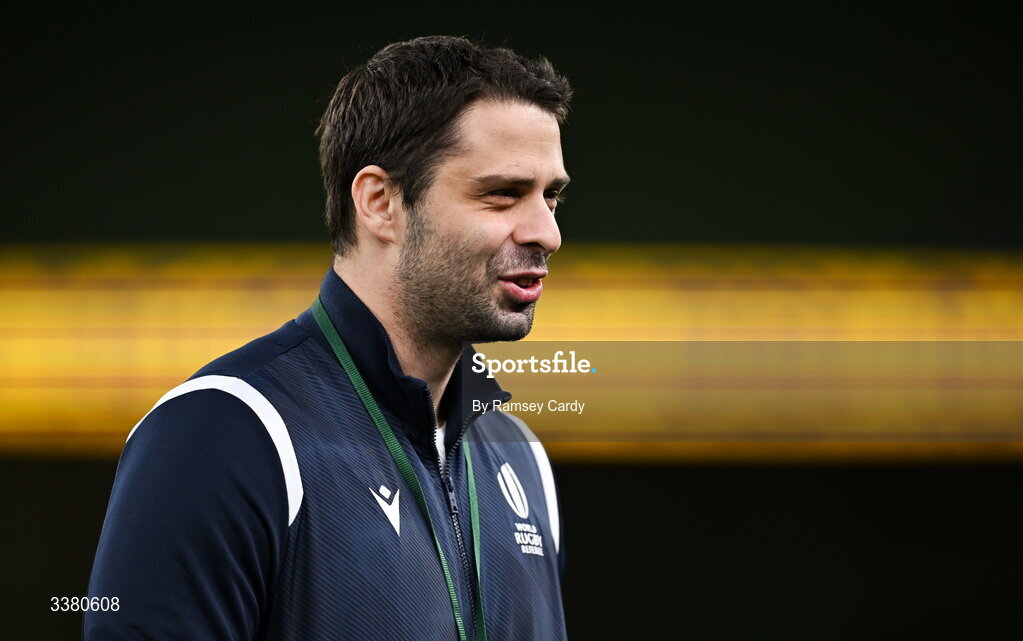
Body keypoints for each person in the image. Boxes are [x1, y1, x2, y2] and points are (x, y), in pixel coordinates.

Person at [84, 35, 571, 640]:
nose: (546, 232)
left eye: (552, 196)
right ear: (379, 202)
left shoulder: (522, 462)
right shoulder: (223, 434)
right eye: (503, 194)